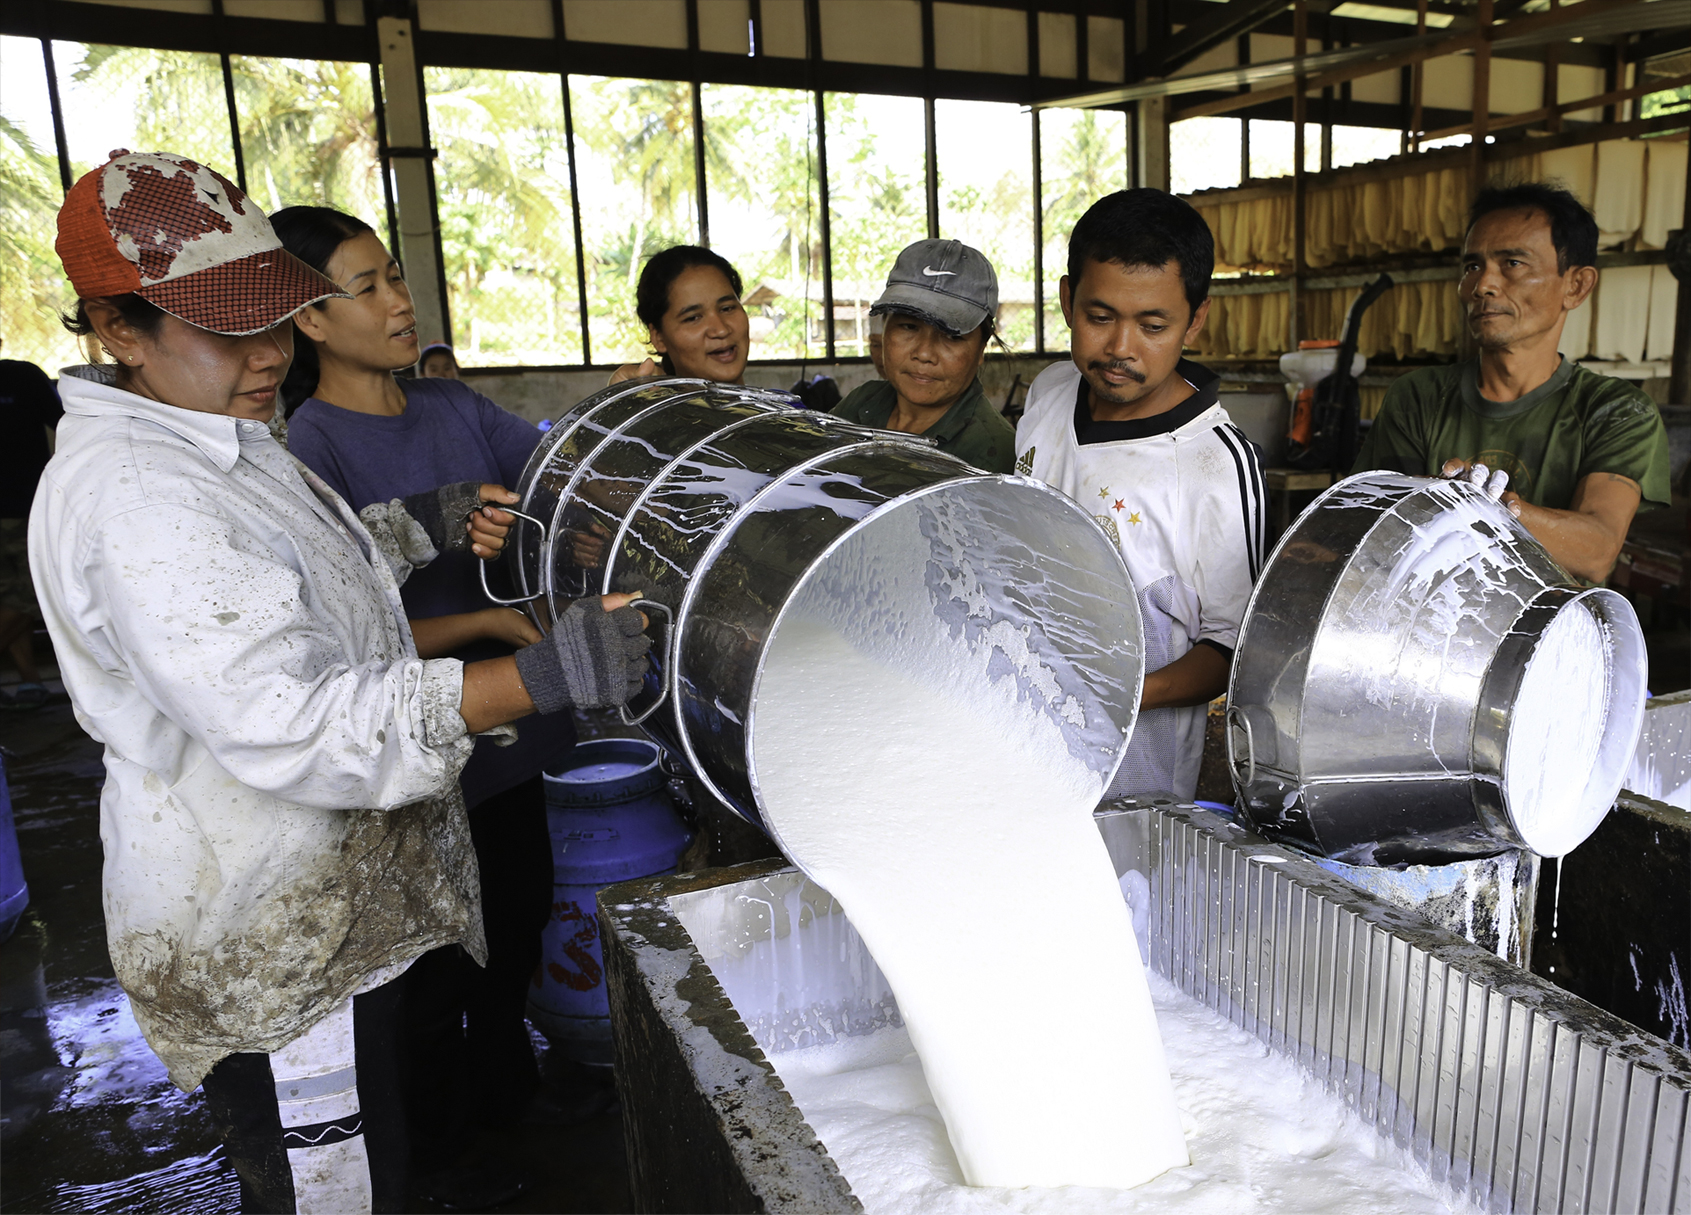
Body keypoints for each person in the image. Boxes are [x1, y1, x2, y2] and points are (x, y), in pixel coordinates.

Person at [34, 150, 650, 1214]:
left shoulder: (216, 433)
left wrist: (425, 519)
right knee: (333, 1195)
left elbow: (296, 570)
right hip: (277, 947)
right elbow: (291, 720)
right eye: (228, 331)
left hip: (328, 926)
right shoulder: (140, 499)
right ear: (116, 329)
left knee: (380, 1166)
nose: (269, 352)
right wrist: (531, 677)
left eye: (274, 318)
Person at [272, 205, 583, 1206]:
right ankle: (438, 1147)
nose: (399, 301)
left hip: (504, 745)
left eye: (394, 279)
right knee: (430, 967)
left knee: (516, 919)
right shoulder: (310, 450)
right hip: (413, 756)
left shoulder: (450, 407)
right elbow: (338, 656)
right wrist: (496, 632)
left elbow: (551, 471)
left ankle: (508, 1097)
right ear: (309, 318)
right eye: (365, 287)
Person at [1015, 189, 1264, 802]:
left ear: (1195, 320)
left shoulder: (1212, 464)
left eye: (1153, 326)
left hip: (1127, 783)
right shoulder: (1049, 392)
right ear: (1068, 299)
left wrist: (1117, 692)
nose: (1121, 347)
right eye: (1100, 318)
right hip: (1014, 734)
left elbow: (1231, 649)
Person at [1354, 183, 1671, 584]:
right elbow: (1379, 534)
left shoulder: (1618, 411)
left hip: (1554, 639)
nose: (1482, 285)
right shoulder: (1419, 397)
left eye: (1512, 264)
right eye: (1472, 266)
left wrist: (1487, 507)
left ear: (1576, 286)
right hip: (1429, 635)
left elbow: (1595, 552)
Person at [831, 239, 1016, 474]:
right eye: (909, 327)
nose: (924, 353)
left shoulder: (990, 455)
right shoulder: (862, 403)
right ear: (885, 327)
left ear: (981, 348)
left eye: (952, 336)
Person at [0, 343, 62, 709]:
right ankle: (30, 681)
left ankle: (29, 681)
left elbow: (63, 425)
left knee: (33, 595)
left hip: (29, 510)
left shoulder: (22, 376)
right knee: (14, 596)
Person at [608, 245, 750, 385]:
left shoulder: (772, 405)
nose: (721, 330)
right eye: (693, 318)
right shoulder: (646, 407)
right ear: (659, 338)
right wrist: (618, 403)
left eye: (727, 308)